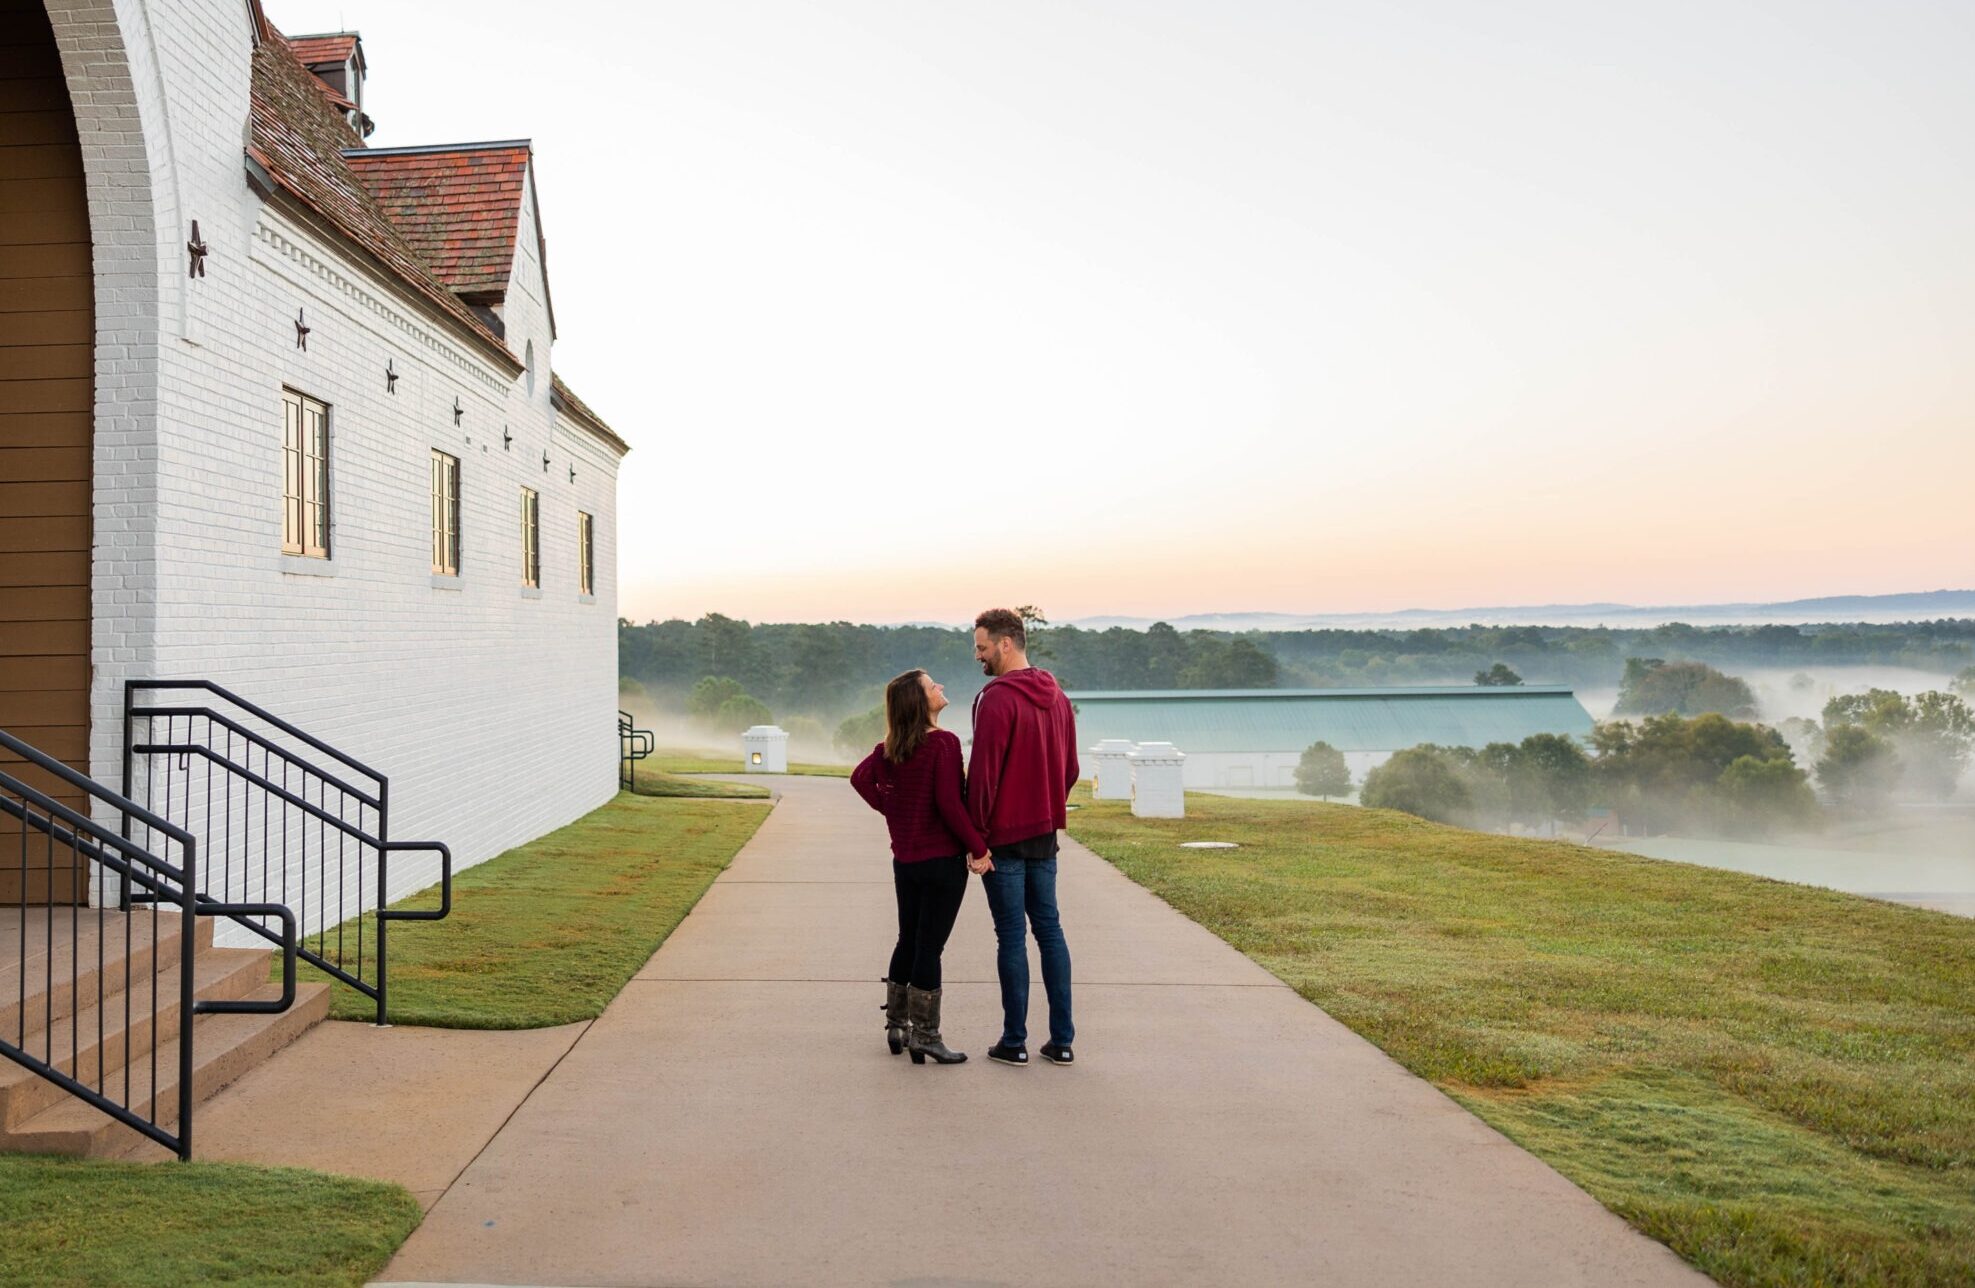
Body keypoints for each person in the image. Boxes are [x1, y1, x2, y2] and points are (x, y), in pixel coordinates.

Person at [850, 669, 989, 1066]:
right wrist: (979, 848)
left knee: (907, 940)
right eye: (932, 686)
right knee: (929, 948)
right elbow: (949, 804)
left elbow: (860, 780)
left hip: (906, 862)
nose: (940, 687)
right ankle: (926, 1036)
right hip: (941, 862)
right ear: (919, 700)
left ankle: (897, 1025)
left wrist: (894, 810)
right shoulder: (943, 743)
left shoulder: (889, 748)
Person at [966, 607, 1079, 1067]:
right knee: (1050, 932)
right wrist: (1047, 804)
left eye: (981, 646)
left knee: (1011, 935)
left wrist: (976, 839)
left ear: (1005, 644)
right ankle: (1063, 1041)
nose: (979, 656)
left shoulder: (995, 699)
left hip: (1004, 839)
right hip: (1044, 835)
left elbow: (984, 775)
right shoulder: (1059, 697)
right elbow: (1070, 768)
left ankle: (1014, 1042)